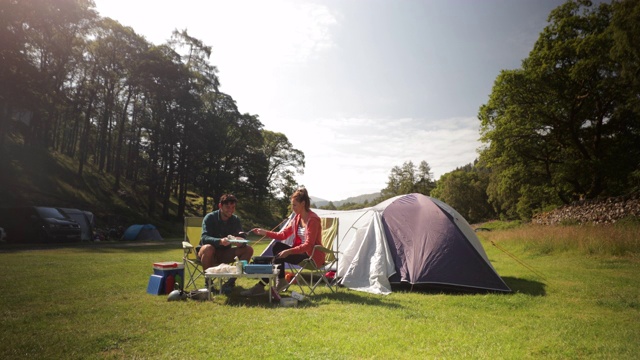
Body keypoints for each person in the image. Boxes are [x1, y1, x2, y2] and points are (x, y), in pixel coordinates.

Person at [241, 187, 325, 296]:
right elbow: (282, 235)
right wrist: (265, 232)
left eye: (294, 205)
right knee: (277, 246)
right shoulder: (296, 219)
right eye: (292, 205)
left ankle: (264, 285)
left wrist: (289, 251)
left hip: (312, 257)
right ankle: (278, 281)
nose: (292, 208)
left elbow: (309, 245)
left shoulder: (313, 219)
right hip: (300, 253)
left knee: (278, 256)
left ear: (303, 203)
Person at [198, 194, 253, 294]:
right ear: (220, 206)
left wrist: (240, 242)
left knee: (248, 249)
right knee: (208, 248)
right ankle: (209, 283)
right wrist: (219, 241)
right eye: (227, 207)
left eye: (233, 207)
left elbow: (242, 235)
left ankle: (230, 282)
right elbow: (204, 238)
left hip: (225, 253)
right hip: (209, 254)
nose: (230, 210)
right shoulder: (210, 218)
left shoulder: (235, 220)